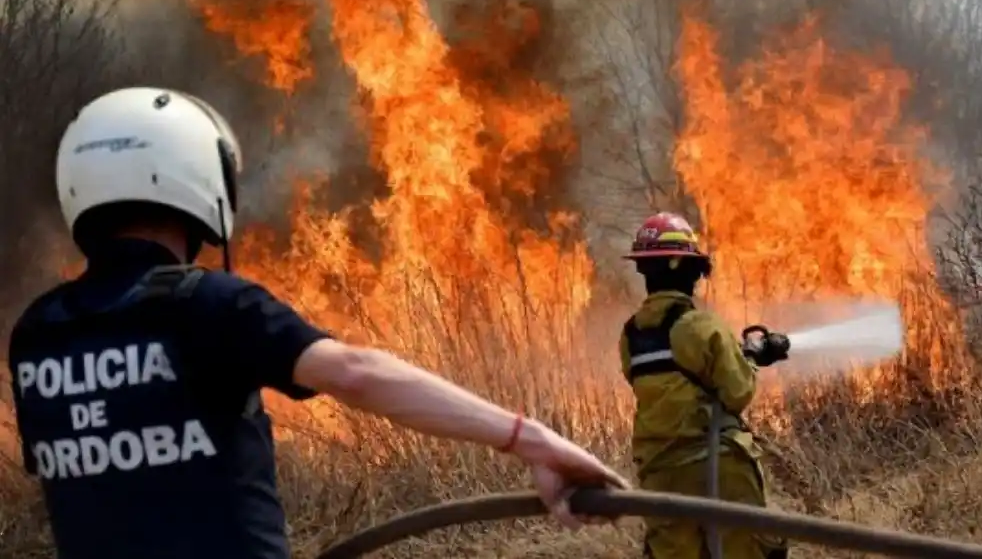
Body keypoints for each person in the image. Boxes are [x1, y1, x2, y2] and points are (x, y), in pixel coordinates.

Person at [6, 87, 628, 559]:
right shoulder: (210, 305)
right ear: (197, 175)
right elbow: (355, 373)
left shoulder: (37, 333)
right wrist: (533, 439)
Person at [619, 212, 790, 559]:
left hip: (660, 473)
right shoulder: (702, 326)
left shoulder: (631, 334)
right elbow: (738, 391)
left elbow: (664, 381)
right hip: (717, 465)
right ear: (687, 269)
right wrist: (751, 357)